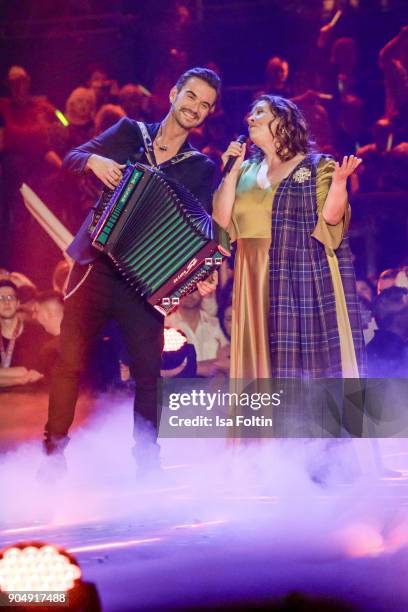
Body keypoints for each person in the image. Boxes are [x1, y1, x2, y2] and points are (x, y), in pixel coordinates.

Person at [42, 67, 221, 474]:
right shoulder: (128, 133)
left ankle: (147, 461)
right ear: (174, 93)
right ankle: (53, 454)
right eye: (191, 97)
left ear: (208, 114)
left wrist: (198, 272)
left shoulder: (201, 169)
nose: (195, 107)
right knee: (69, 362)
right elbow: (72, 159)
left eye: (205, 105)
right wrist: (94, 161)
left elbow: (198, 229)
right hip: (96, 267)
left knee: (148, 373)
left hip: (145, 280)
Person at [213, 95, 366, 380]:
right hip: (252, 274)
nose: (250, 119)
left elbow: (331, 220)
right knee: (260, 364)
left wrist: (340, 184)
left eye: (259, 113)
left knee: (299, 364)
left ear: (282, 121)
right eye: (250, 114)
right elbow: (221, 223)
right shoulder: (244, 170)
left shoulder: (317, 167)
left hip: (300, 275)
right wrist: (231, 173)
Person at [0, 280, 44, 387]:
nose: (6, 302)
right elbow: (23, 373)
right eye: (0, 298)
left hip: (29, 400)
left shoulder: (36, 333)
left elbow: (30, 373)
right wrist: (18, 379)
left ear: (18, 302)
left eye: (11, 297)